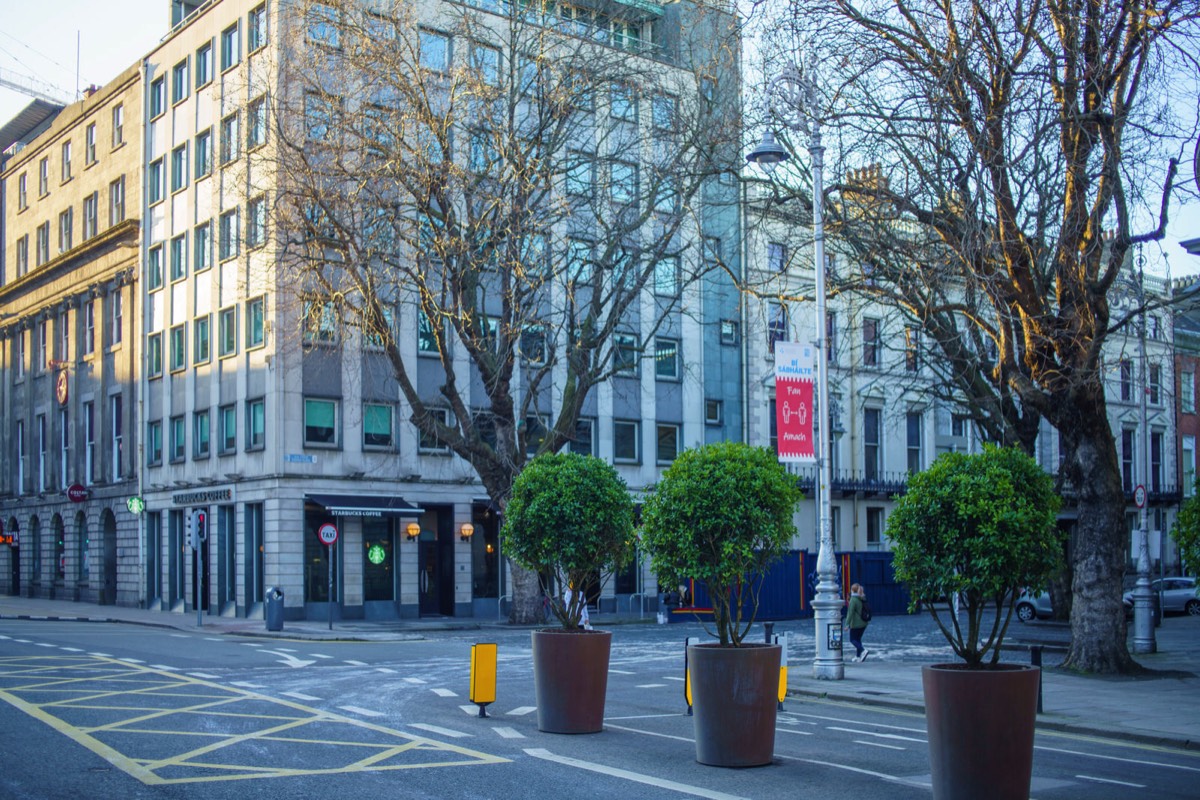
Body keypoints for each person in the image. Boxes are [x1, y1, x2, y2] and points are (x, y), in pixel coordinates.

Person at [845, 583, 870, 662]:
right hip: (864, 623)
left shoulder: (853, 600)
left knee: (852, 639)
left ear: (852, 590)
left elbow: (850, 613)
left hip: (856, 624)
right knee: (858, 639)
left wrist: (847, 624)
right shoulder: (862, 598)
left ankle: (863, 650)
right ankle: (858, 656)